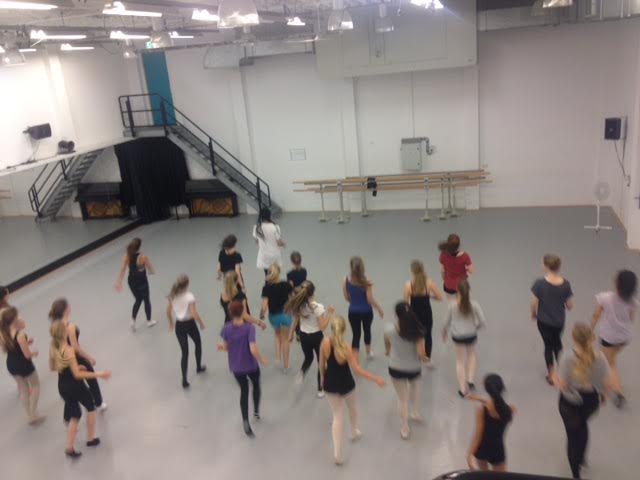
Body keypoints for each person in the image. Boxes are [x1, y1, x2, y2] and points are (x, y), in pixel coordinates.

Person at [319, 314, 385, 465]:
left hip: (330, 384)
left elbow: (321, 364)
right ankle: (353, 431)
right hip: (346, 383)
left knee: (337, 416)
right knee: (352, 408)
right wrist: (375, 378)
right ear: (344, 330)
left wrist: (322, 378)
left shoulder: (324, 343)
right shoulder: (346, 347)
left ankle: (337, 453)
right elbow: (357, 369)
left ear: (332, 329)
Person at [49, 319, 111, 459]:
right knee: (90, 407)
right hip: (75, 386)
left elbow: (53, 367)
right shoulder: (68, 349)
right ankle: (90, 439)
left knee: (75, 415)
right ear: (64, 333)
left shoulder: (53, 347)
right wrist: (99, 374)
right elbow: (77, 375)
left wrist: (73, 366)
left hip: (62, 386)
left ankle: (69, 448)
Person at [555, 324, 610, 479]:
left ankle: (576, 474)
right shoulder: (600, 357)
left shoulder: (566, 357)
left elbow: (563, 385)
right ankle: (583, 459)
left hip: (570, 403)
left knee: (572, 437)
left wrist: (554, 379)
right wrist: (603, 395)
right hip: (591, 401)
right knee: (583, 426)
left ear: (574, 339)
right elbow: (606, 382)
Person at [218, 300, 268, 437]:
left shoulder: (226, 328)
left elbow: (226, 347)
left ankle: (245, 420)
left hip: (236, 366)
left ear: (230, 313)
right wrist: (261, 359)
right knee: (256, 385)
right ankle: (256, 411)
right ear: (243, 312)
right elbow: (253, 349)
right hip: (251, 365)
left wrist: (221, 347)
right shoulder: (249, 328)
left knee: (244, 391)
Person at [49, 298, 107, 411]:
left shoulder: (56, 325)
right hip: (76, 357)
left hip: (64, 357)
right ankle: (98, 402)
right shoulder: (70, 326)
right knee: (91, 380)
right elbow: (76, 348)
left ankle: (84, 401)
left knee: (75, 380)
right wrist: (89, 357)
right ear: (66, 309)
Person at [591, 269, 638, 409]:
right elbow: (631, 318)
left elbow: (596, 315)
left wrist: (590, 329)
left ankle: (617, 393)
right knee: (611, 360)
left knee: (610, 364)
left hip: (609, 337)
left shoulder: (604, 298)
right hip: (624, 337)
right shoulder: (633, 301)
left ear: (616, 283)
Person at [384, 302, 428, 439]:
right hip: (413, 368)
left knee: (402, 399)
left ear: (397, 315)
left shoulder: (389, 329)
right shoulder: (417, 332)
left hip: (395, 367)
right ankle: (414, 412)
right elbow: (421, 354)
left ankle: (404, 428)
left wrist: (388, 351)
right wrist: (426, 358)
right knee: (415, 390)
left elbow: (387, 344)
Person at [531, 254, 574, 385]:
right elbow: (569, 305)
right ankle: (563, 372)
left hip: (543, 321)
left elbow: (534, 303)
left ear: (546, 266)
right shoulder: (566, 284)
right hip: (559, 322)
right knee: (557, 344)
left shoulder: (539, 284)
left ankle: (551, 375)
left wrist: (533, 314)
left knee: (548, 346)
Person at [286, 281, 334, 397]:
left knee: (308, 358)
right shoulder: (318, 307)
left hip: (304, 336)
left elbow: (296, 320)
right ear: (313, 292)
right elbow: (322, 327)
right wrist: (330, 313)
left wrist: (291, 334)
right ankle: (320, 389)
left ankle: (302, 372)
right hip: (317, 337)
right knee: (321, 362)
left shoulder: (300, 305)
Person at [0, 307, 45, 425]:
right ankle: (33, 414)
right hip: (24, 365)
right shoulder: (20, 334)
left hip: (11, 365)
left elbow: (10, 347)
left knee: (24, 390)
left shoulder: (3, 334)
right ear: (14, 319)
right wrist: (34, 353)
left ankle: (29, 415)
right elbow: (27, 355)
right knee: (35, 386)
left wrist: (26, 342)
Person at [442, 280, 486, 397]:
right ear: (469, 291)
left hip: (458, 336)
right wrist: (475, 327)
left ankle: (462, 389)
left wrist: (444, 332)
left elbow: (446, 321)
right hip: (471, 334)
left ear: (457, 291)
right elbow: (482, 321)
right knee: (471, 355)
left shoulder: (452, 305)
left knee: (460, 361)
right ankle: (470, 380)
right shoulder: (474, 304)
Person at [466, 374, 516, 472]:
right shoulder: (511, 409)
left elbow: (478, 435)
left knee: (484, 475)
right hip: (497, 450)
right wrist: (479, 399)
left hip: (482, 449)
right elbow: (498, 406)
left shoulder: (481, 410)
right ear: (502, 388)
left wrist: (469, 454)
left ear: (487, 390)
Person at [166, 275, 206, 389]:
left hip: (179, 326)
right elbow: (194, 313)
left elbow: (168, 311)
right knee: (198, 344)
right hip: (190, 325)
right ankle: (198, 367)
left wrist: (171, 323)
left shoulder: (172, 295)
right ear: (187, 285)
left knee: (184, 353)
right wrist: (201, 323)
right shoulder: (189, 296)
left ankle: (184, 379)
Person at [342, 256, 384, 360]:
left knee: (356, 334)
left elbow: (346, 297)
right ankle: (368, 352)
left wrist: (355, 301)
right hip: (367, 312)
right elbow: (370, 300)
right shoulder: (367, 282)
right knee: (367, 331)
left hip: (353, 312)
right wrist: (379, 308)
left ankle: (354, 358)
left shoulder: (345, 279)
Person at [403, 260, 443, 366]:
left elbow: (405, 303)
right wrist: (429, 296)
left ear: (412, 271)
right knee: (428, 336)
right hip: (426, 314)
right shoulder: (429, 283)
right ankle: (427, 358)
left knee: (415, 336)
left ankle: (415, 357)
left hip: (414, 315)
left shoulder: (408, 285)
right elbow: (440, 297)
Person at [114, 238, 157, 331]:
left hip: (131, 282)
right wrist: (150, 270)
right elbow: (151, 270)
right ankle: (149, 321)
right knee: (146, 300)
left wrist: (118, 282)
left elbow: (122, 269)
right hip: (142, 282)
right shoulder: (143, 257)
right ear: (139, 247)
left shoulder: (127, 255)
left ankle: (133, 321)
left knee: (138, 299)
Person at [260, 264, 293, 370]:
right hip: (286, 315)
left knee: (277, 335)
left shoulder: (266, 288)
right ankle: (286, 365)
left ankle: (278, 358)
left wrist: (261, 315)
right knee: (285, 339)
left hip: (273, 316)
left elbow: (264, 306)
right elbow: (292, 299)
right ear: (279, 272)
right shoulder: (287, 285)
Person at [252, 207, 285, 275]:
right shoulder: (275, 227)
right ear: (269, 215)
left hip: (264, 255)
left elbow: (256, 241)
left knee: (267, 274)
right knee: (275, 273)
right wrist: (283, 244)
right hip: (274, 254)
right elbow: (279, 242)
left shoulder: (257, 227)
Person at [287, 251, 308, 342]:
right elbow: (305, 282)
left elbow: (291, 286)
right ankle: (305, 330)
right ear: (301, 260)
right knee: (304, 311)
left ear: (292, 262)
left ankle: (298, 333)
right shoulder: (304, 270)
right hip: (303, 294)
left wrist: (291, 297)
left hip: (295, 296)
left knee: (296, 315)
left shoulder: (289, 274)